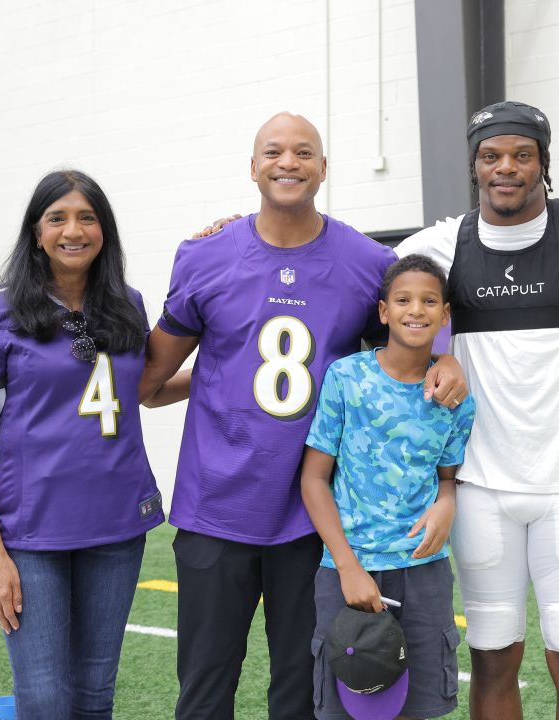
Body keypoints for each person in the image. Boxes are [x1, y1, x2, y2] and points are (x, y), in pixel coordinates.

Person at [197, 101, 559, 719]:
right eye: (491, 156)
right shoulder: (440, 243)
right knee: (492, 660)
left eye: (521, 155)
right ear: (474, 165)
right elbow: (349, 268)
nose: (506, 168)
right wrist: (238, 231)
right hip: (480, 490)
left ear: (544, 163)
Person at [138, 112, 467, 720]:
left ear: (323, 168)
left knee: (300, 693)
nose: (288, 162)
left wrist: (446, 358)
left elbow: (406, 344)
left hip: (310, 518)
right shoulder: (206, 256)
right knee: (204, 689)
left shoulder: (368, 261)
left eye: (303, 152)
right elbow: (150, 384)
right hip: (217, 506)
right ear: (254, 166)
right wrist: (218, 381)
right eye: (273, 152)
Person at [0, 170, 165, 719]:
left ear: (104, 230)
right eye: (58, 218)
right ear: (36, 232)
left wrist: (231, 378)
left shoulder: (127, 304)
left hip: (118, 523)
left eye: (87, 217)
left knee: (95, 694)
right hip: (31, 531)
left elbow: (132, 390)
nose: (74, 230)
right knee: (44, 697)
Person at [300, 255, 477, 720]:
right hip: (348, 571)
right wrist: (348, 567)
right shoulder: (347, 378)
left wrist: (447, 503)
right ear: (383, 312)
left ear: (445, 315)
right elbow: (313, 478)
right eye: (403, 300)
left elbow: (446, 480)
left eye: (428, 301)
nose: (415, 310)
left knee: (419, 707)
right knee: (345, 707)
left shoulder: (455, 398)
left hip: (424, 572)